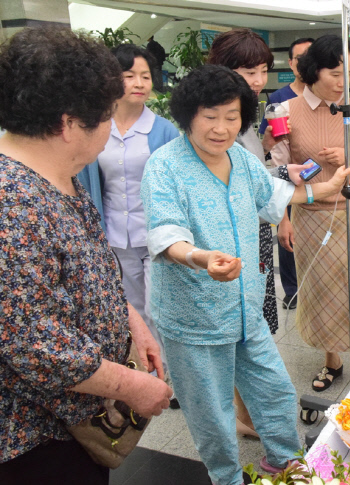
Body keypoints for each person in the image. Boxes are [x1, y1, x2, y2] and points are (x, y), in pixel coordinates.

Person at [140, 64, 350, 485]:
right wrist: (201, 259)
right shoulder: (164, 166)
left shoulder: (240, 157)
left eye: (232, 116)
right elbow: (167, 234)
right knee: (212, 410)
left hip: (244, 305)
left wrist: (322, 190)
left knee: (274, 389)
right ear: (188, 116)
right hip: (194, 316)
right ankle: (226, 477)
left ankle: (286, 459)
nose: (221, 128)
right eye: (210, 116)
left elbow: (273, 196)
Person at [0, 27, 172, 484]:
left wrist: (131, 319)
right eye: (106, 116)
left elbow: (89, 267)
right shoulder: (13, 202)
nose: (112, 128)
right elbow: (34, 344)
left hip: (74, 420)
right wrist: (134, 386)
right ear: (67, 123)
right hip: (36, 440)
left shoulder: (60, 176)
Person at [270, 34, 350, 392]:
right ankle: (331, 359)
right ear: (312, 71)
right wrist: (308, 176)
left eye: (347, 74)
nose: (342, 83)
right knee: (320, 293)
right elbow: (278, 173)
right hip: (309, 217)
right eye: (335, 74)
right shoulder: (285, 111)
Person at [79, 44, 179, 383]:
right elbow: (88, 180)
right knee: (132, 311)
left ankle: (175, 375)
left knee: (158, 309)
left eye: (146, 76)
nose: (140, 82)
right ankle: (150, 374)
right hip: (114, 233)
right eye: (129, 75)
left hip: (155, 234)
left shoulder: (163, 130)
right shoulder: (96, 125)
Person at [207, 28, 285, 439]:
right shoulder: (218, 120)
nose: (258, 80)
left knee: (253, 321)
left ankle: (245, 410)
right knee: (238, 324)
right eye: (249, 70)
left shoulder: (246, 114)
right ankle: (241, 415)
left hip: (255, 231)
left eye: (262, 71)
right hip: (230, 238)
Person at [260, 37, 314, 311]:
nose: (305, 63)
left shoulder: (328, 98)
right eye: (299, 58)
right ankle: (292, 290)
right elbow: (265, 148)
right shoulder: (279, 98)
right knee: (288, 237)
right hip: (288, 182)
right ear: (291, 63)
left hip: (320, 183)